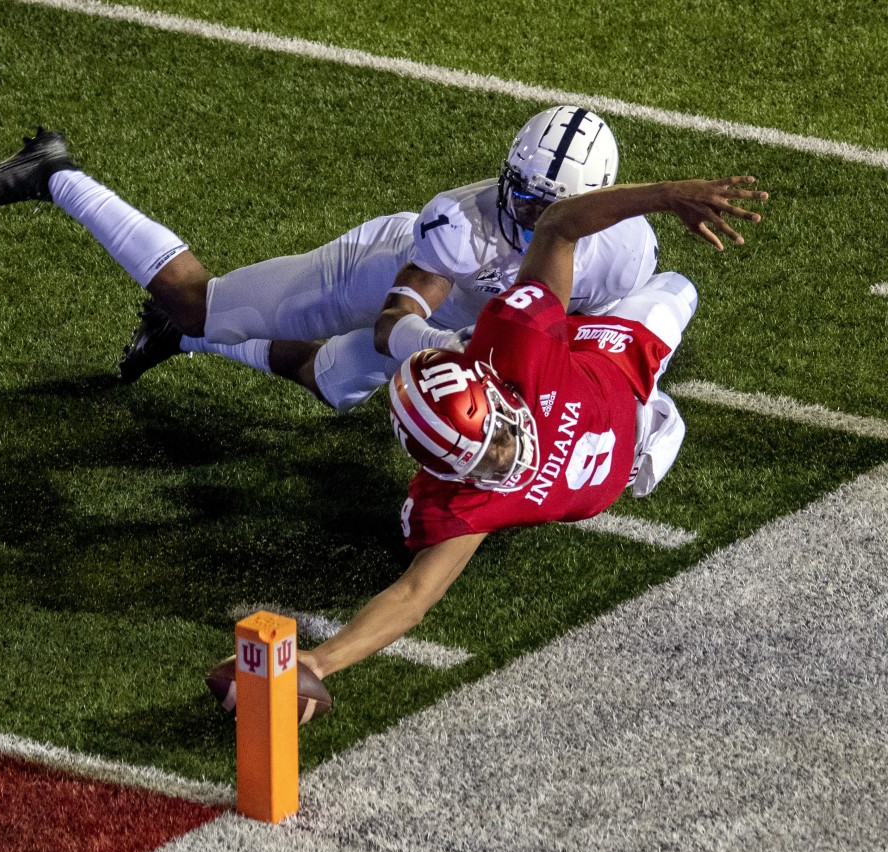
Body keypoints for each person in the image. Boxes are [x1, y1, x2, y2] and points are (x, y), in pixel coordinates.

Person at [288, 175, 766, 681]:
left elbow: (558, 225)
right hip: (619, 441)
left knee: (679, 288)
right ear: (443, 469)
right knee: (661, 443)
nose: (501, 458)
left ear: (498, 392)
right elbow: (412, 596)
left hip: (612, 361)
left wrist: (668, 195)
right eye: (476, 461)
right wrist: (321, 662)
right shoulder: (457, 497)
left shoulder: (519, 344)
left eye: (494, 437)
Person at [0, 107, 660, 412]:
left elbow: (607, 339)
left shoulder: (625, 252)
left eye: (548, 205)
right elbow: (396, 320)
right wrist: (448, 349)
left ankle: (184, 341)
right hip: (385, 277)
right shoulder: (461, 221)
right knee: (203, 300)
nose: (527, 213)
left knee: (333, 384)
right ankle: (55, 174)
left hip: (465, 329)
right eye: (522, 193)